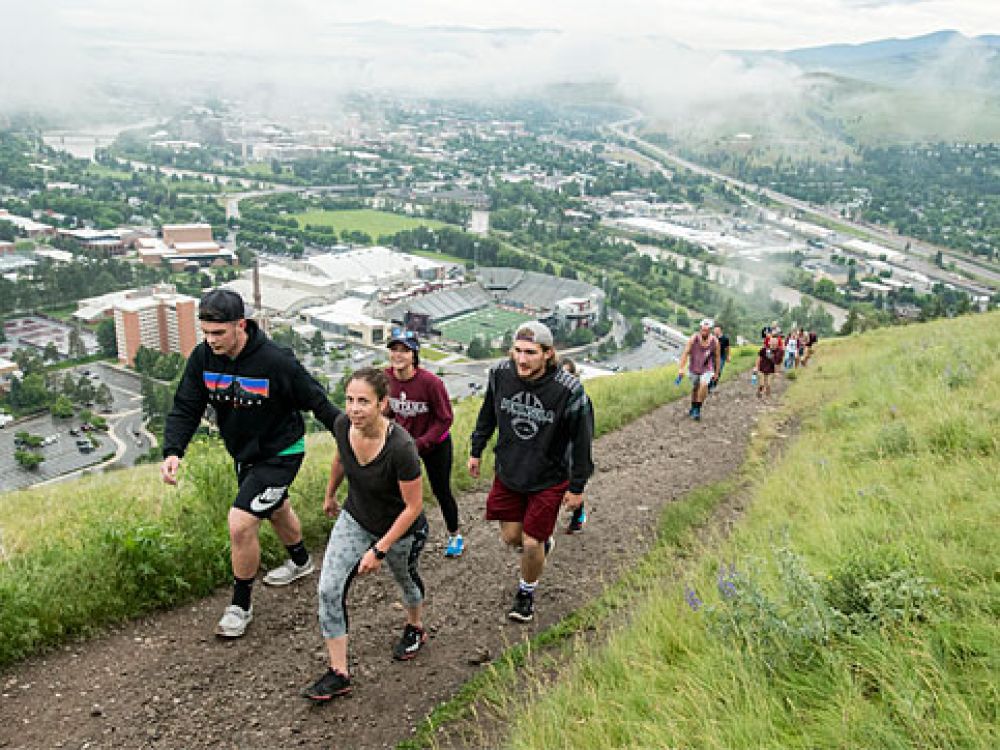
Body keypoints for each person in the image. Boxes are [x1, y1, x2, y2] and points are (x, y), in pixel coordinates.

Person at [161, 289, 342, 639]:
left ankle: (240, 606)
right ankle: (302, 563)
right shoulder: (202, 359)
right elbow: (186, 406)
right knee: (275, 507)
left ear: (240, 325)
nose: (211, 341)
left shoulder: (276, 361)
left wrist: (351, 437)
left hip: (281, 452)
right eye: (206, 333)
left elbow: (316, 400)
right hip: (245, 454)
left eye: (219, 333)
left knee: (241, 523)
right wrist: (173, 451)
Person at [304, 368, 428, 702]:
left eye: (364, 402)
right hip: (356, 517)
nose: (355, 408)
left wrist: (380, 550)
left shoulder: (401, 447)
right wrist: (330, 494)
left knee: (405, 582)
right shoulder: (345, 425)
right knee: (329, 588)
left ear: (383, 404)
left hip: (400, 530)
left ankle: (415, 626)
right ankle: (339, 672)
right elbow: (340, 459)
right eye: (349, 400)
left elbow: (413, 506)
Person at [468, 322, 594, 623]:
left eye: (531, 353)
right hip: (510, 469)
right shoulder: (500, 374)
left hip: (548, 477)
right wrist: (477, 449)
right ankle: (539, 546)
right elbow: (488, 413)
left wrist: (577, 486)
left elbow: (582, 441)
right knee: (512, 537)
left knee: (531, 542)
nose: (522, 360)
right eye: (518, 351)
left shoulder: (569, 390)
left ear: (548, 354)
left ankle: (526, 591)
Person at [384, 327, 464, 558]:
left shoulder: (430, 383)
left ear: (414, 355)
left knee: (441, 490)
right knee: (394, 490)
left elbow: (445, 418)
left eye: (404, 350)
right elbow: (387, 411)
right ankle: (399, 535)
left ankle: (454, 534)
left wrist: (422, 443)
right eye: (394, 350)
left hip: (435, 445)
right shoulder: (385, 378)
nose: (398, 355)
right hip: (402, 445)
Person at [558, 357, 594, 534]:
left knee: (571, 484)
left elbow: (585, 433)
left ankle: (578, 513)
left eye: (568, 373)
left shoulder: (581, 400)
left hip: (571, 449)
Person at [677, 318, 721, 421]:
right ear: (700, 329)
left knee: (704, 384)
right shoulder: (694, 338)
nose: (704, 332)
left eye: (706, 330)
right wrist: (681, 368)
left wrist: (717, 372)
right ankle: (693, 406)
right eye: (702, 329)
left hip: (707, 368)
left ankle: (697, 408)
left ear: (710, 330)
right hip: (694, 367)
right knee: (695, 388)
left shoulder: (715, 341)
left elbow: (717, 357)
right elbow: (685, 353)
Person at [753, 334, 781, 399]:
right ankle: (759, 393)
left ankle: (767, 396)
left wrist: (777, 372)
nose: (773, 344)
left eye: (775, 343)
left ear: (777, 344)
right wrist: (756, 367)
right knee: (762, 384)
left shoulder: (778, 351)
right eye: (772, 342)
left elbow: (777, 363)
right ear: (769, 342)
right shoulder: (764, 349)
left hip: (771, 371)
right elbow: (758, 358)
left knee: (768, 384)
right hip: (761, 369)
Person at [709, 323, 731, 392]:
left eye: (717, 330)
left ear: (720, 330)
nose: (715, 331)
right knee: (710, 370)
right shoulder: (712, 338)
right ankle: (709, 386)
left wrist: (728, 356)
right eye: (714, 330)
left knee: (718, 371)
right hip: (712, 357)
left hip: (721, 357)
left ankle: (713, 386)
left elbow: (727, 348)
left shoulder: (725, 338)